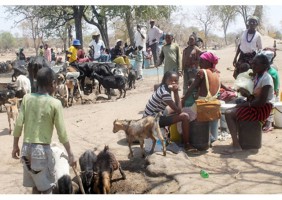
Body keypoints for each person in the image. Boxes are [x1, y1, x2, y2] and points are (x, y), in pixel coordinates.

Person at [12, 67, 76, 194]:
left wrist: (15, 146)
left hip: (26, 151)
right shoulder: (55, 103)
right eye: (56, 83)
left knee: (35, 187)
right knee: (47, 189)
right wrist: (70, 153)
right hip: (41, 152)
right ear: (52, 84)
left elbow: (18, 124)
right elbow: (62, 132)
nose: (57, 86)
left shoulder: (26, 99)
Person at [224, 54, 274, 154]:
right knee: (233, 109)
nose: (253, 66)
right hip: (256, 106)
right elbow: (254, 97)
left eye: (255, 64)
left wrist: (244, 104)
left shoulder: (266, 79)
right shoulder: (257, 77)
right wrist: (246, 94)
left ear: (264, 65)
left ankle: (236, 145)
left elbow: (261, 102)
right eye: (252, 63)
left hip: (262, 109)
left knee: (229, 114)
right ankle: (239, 140)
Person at [143, 70, 193, 150]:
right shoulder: (165, 93)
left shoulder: (162, 87)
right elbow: (179, 110)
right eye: (171, 80)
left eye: (176, 81)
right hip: (152, 121)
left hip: (150, 116)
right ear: (165, 80)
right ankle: (187, 144)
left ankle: (171, 133)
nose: (173, 83)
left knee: (174, 108)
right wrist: (176, 92)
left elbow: (156, 86)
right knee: (185, 116)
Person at [182, 51, 221, 145]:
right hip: (214, 104)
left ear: (208, 62)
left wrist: (182, 100)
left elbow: (191, 89)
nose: (199, 63)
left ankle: (186, 142)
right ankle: (212, 136)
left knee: (181, 117)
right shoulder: (216, 73)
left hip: (202, 106)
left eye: (201, 61)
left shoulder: (202, 72)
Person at [258, 50, 280, 132]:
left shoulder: (271, 72)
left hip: (273, 93)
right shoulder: (268, 71)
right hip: (270, 93)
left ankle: (269, 124)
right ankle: (266, 121)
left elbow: (272, 86)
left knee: (271, 107)